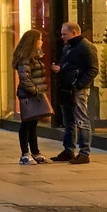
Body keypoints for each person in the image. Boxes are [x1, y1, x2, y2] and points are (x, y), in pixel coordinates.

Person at [50, 20, 99, 165]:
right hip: (66, 87)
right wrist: (60, 69)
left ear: (74, 33)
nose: (62, 37)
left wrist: (79, 84)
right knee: (69, 121)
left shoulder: (86, 47)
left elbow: (93, 69)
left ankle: (84, 152)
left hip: (78, 89)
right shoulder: (68, 47)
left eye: (64, 34)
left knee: (81, 120)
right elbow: (69, 65)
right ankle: (68, 150)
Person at [13, 28, 50, 165]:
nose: (41, 42)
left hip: (36, 93)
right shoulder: (25, 59)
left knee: (33, 123)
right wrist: (34, 91)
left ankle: (35, 152)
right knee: (27, 123)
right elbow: (24, 77)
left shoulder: (34, 57)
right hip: (29, 94)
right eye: (39, 39)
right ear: (33, 42)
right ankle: (25, 154)